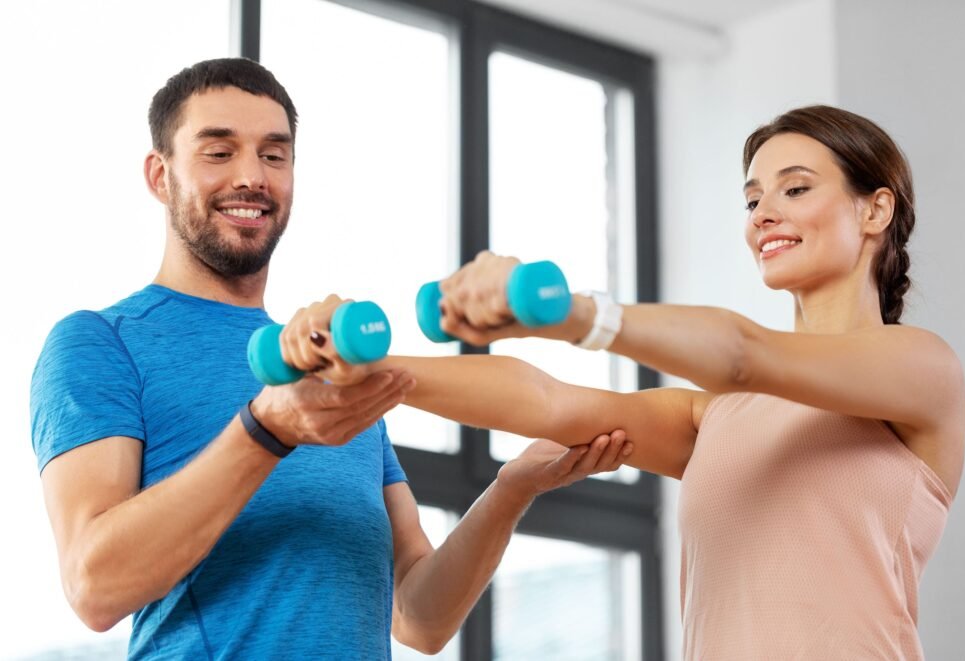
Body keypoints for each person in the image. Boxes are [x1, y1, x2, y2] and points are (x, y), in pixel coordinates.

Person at [283, 105, 965, 659]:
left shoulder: (919, 370)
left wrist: (573, 313)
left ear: (875, 210)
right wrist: (373, 374)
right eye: (753, 197)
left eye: (794, 188)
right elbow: (550, 401)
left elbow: (742, 350)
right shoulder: (719, 414)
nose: (762, 214)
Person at [29, 57, 632, 660]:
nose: (252, 177)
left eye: (273, 154)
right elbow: (95, 586)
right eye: (218, 152)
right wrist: (265, 431)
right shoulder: (101, 343)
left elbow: (418, 618)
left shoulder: (325, 372)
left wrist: (512, 490)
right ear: (160, 176)